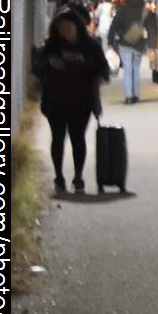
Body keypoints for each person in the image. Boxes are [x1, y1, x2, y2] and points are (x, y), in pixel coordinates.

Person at [32, 13, 111, 193]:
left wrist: (98, 78)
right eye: (61, 29)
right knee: (57, 138)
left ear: (77, 27)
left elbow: (103, 69)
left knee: (78, 138)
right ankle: (59, 176)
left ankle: (78, 176)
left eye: (69, 28)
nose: (65, 32)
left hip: (82, 102)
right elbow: (37, 69)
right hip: (55, 101)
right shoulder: (52, 47)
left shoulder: (90, 46)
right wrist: (49, 65)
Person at [107, 0, 158, 105]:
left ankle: (128, 96)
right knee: (135, 68)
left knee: (127, 69)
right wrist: (152, 46)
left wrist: (111, 41)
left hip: (124, 43)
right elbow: (152, 29)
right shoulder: (145, 11)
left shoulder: (123, 10)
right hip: (139, 43)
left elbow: (114, 25)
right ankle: (136, 94)